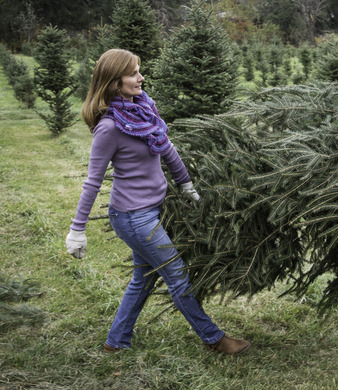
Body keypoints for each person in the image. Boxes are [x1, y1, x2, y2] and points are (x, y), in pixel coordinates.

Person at [64, 48, 250, 355]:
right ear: (114, 82)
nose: (141, 77)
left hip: (151, 210)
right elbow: (93, 181)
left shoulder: (144, 109)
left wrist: (186, 183)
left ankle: (116, 342)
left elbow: (167, 148)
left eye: (139, 70)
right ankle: (214, 339)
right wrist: (77, 229)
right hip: (133, 217)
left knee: (144, 278)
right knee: (176, 276)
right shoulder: (110, 127)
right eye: (133, 73)